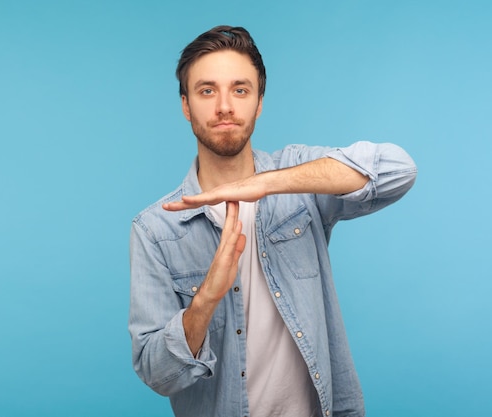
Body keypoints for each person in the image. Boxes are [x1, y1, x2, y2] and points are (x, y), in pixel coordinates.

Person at [128, 25, 417, 417]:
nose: (225, 106)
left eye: (240, 90)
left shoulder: (299, 180)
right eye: (207, 90)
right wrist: (207, 298)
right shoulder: (154, 229)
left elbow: (399, 170)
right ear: (185, 105)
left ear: (259, 102)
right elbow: (156, 372)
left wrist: (265, 184)